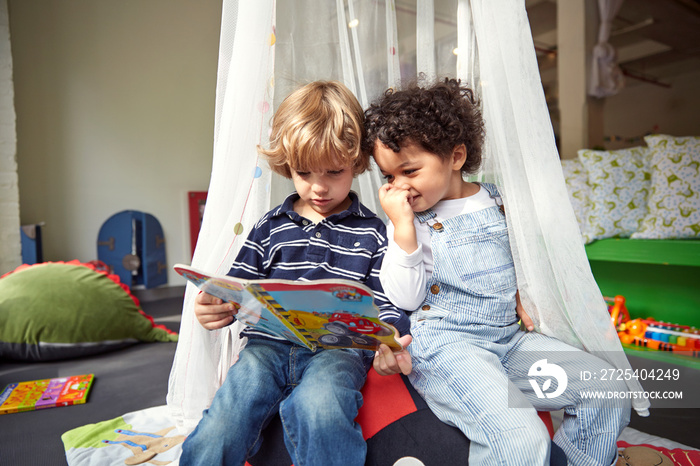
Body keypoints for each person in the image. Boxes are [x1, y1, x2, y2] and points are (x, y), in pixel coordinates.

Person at [363, 78, 631, 466]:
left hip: (509, 342)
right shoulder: (408, 220)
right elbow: (405, 297)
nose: (399, 187)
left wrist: (525, 294)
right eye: (389, 177)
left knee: (605, 388)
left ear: (456, 157)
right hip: (447, 348)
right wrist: (403, 231)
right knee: (520, 438)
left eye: (410, 171)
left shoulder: (499, 201)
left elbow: (523, 260)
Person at [180, 80, 410, 466]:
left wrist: (390, 339)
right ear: (287, 166)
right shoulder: (270, 226)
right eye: (303, 173)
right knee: (224, 418)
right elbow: (236, 289)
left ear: (355, 163)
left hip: (339, 351)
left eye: (334, 172)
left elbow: (386, 299)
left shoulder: (372, 231)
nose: (318, 187)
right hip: (266, 348)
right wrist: (213, 307)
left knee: (319, 408)